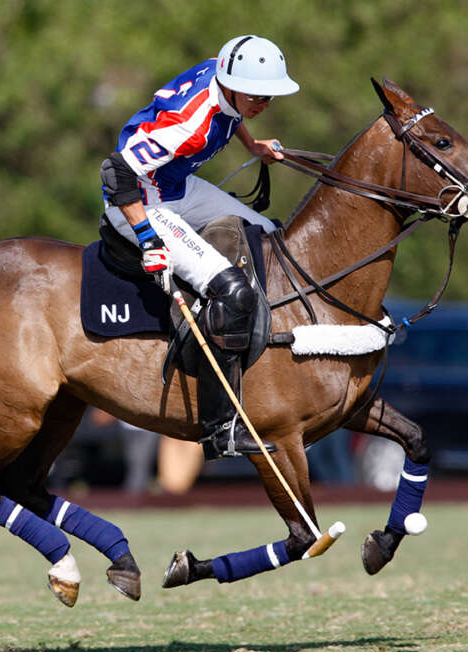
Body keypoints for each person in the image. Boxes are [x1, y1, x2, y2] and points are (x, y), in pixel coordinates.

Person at [99, 35, 299, 459]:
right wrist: (149, 238)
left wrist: (252, 144)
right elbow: (115, 172)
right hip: (138, 203)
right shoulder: (189, 125)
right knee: (233, 291)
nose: (265, 103)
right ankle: (220, 428)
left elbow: (231, 109)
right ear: (232, 84)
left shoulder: (223, 77)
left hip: (177, 188)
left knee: (270, 236)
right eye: (258, 96)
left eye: (270, 97)